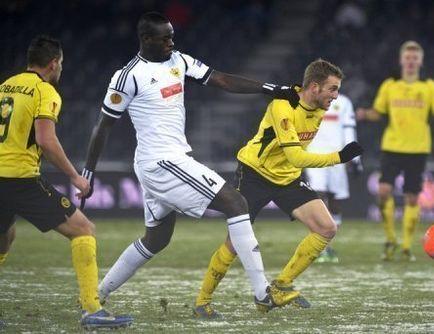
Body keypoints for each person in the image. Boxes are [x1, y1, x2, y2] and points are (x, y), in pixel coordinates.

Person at [81, 12, 301, 316]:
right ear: (146, 39)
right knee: (237, 204)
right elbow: (103, 125)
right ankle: (263, 294)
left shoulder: (179, 61)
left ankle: (96, 295)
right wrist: (88, 173)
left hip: (171, 159)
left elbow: (221, 79)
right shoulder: (128, 76)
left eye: (172, 35)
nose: (172, 41)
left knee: (156, 240)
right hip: (161, 161)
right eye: (165, 37)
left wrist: (271, 89)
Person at [194, 58, 363, 317]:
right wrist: (338, 158)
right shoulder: (282, 105)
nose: (336, 95)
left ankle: (281, 285)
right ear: (315, 87)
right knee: (234, 243)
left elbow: (293, 161)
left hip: (288, 179)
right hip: (254, 175)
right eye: (332, 89)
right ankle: (202, 302)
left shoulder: (319, 108)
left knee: (327, 228)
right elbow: (296, 156)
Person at [0, 35, 132, 329]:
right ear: (54, 63)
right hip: (20, 179)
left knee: (5, 237)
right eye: (61, 64)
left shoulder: (5, 86)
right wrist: (75, 177)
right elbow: (46, 140)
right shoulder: (45, 91)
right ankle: (91, 309)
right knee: (83, 229)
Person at [357, 40, 434, 261]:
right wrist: (365, 114)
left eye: (414, 58)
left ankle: (406, 245)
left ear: (420, 61)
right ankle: (390, 239)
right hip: (392, 146)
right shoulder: (390, 85)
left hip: (418, 148)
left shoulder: (429, 86)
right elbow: (378, 112)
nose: (410, 61)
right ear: (401, 60)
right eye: (407, 58)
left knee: (412, 198)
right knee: (383, 192)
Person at [305, 92, 362, 263]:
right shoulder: (308, 99)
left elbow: (349, 129)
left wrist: (355, 158)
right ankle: (320, 247)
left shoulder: (344, 102)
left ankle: (328, 245)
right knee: (318, 198)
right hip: (314, 155)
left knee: (335, 203)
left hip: (338, 157)